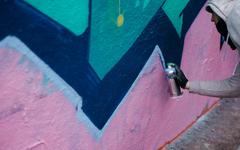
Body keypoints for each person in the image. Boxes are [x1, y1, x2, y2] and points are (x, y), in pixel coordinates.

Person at [173, 0, 240, 98]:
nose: (212, 19)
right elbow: (236, 87)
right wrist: (188, 85)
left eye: (213, 13)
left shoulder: (235, 18)